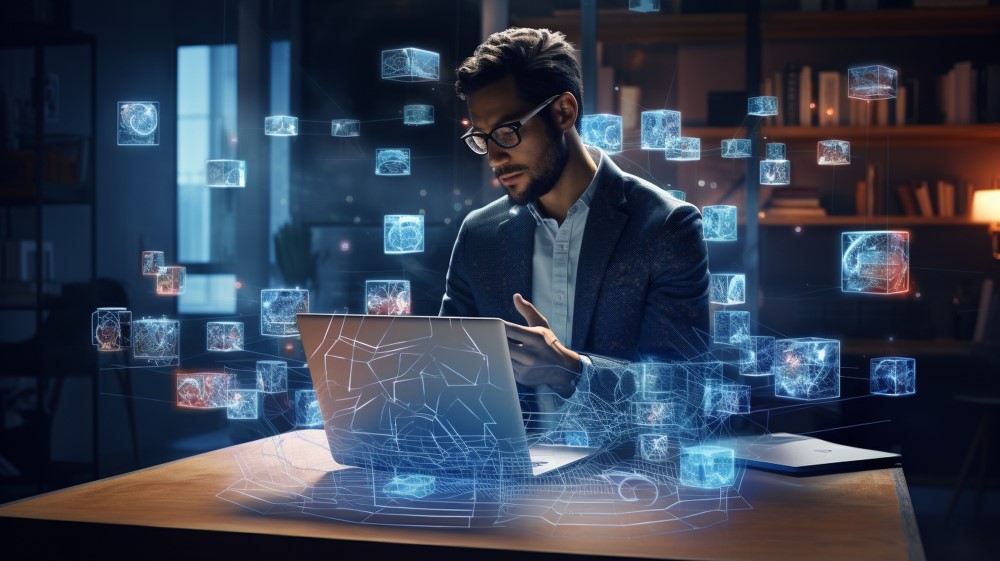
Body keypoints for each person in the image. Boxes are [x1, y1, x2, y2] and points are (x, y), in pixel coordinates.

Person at [440, 27, 710, 441]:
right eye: (482, 138)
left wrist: (570, 372)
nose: (494, 157)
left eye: (507, 132)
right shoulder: (480, 236)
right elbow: (445, 373)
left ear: (564, 112)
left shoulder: (665, 229)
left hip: (627, 488)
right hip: (508, 488)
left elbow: (683, 393)